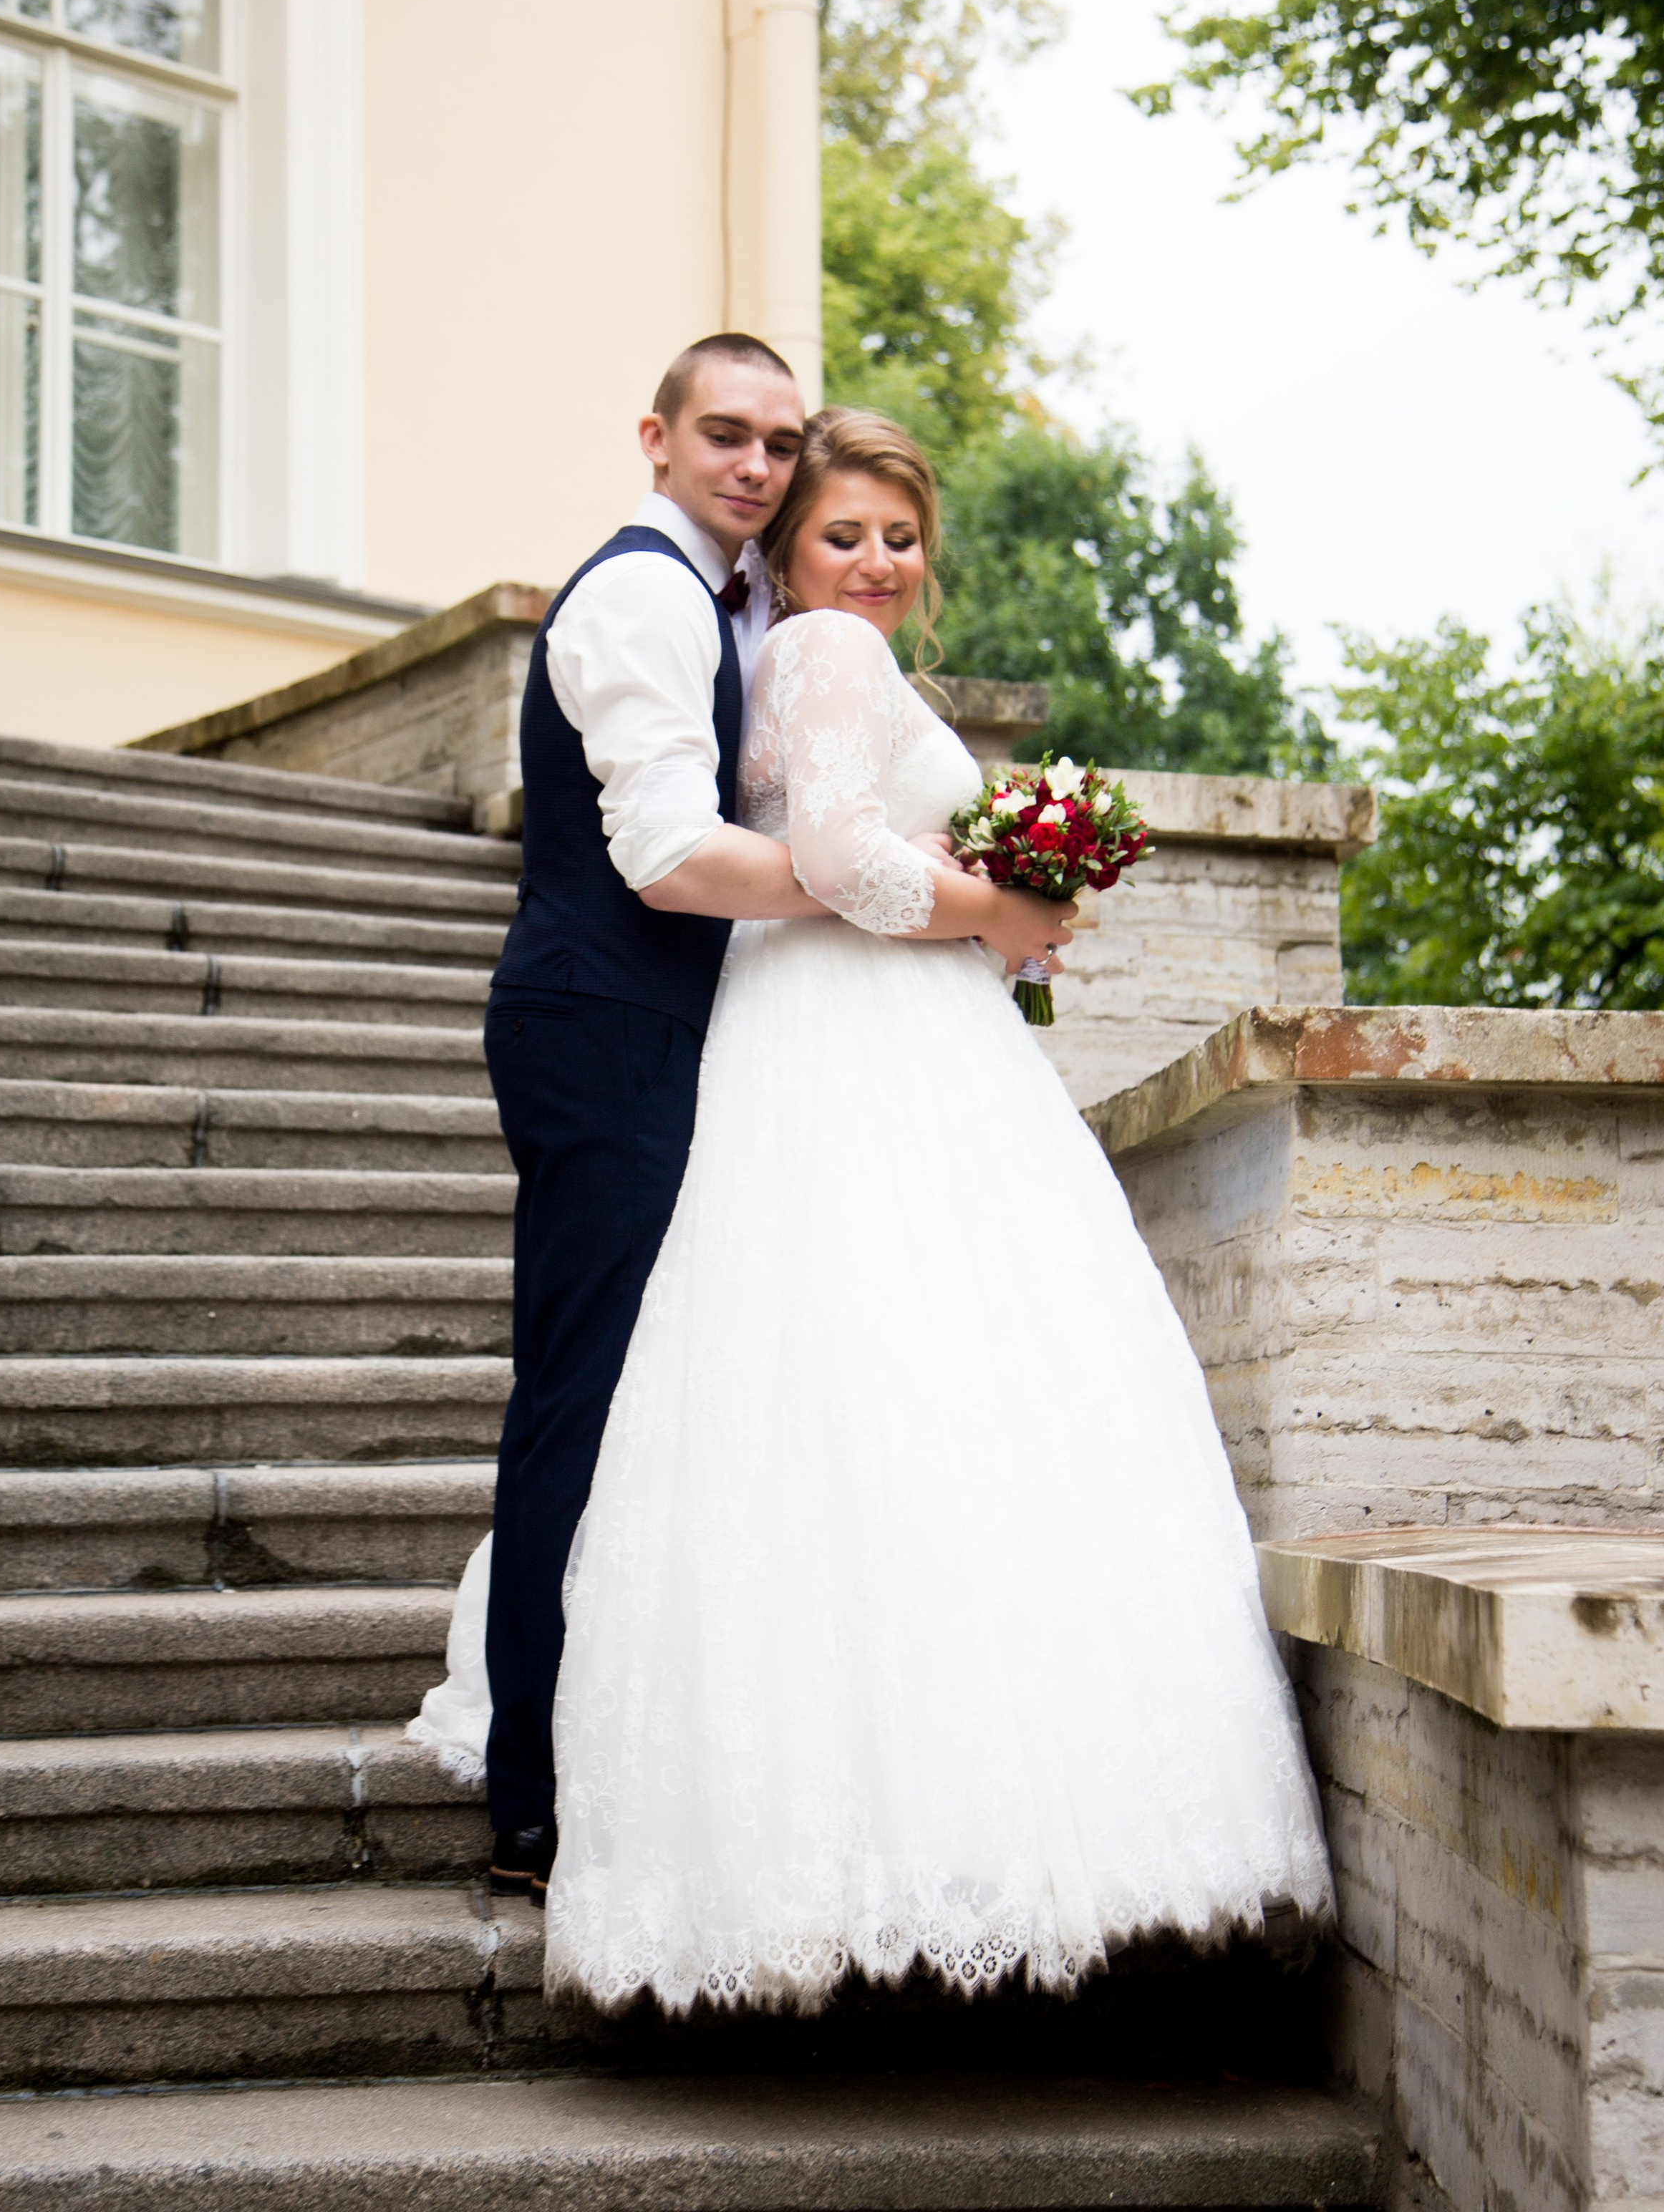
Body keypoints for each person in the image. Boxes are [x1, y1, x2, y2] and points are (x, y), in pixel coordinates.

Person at [417, 405, 1332, 2009]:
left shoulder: (804, 652)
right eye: (842, 534)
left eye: (900, 536)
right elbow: (839, 852)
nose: (876, 561)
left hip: (839, 1014)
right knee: (909, 1366)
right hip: (845, 1019)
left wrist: (993, 913)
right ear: (787, 548)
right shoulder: (824, 658)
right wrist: (1003, 905)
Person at [475, 338, 852, 1906]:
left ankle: (609, 1748)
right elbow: (664, 855)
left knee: (645, 1397)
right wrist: (909, 893)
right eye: (725, 435)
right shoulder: (640, 595)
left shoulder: (732, 600)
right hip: (597, 1027)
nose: (756, 466)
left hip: (656, 1027)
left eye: (779, 442)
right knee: (579, 1394)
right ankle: (529, 1793)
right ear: (656, 437)